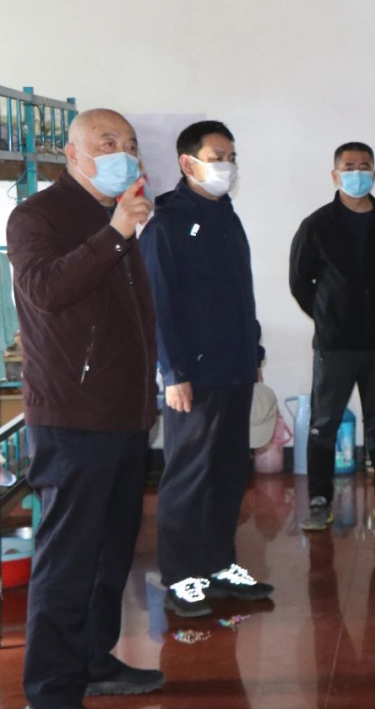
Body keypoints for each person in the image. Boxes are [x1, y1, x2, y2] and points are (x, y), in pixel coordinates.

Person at [7, 108, 164, 706]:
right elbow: (45, 290)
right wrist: (115, 233)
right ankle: (51, 689)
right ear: (72, 154)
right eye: (107, 141)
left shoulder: (113, 214)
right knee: (68, 560)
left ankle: (95, 661)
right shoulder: (36, 215)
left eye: (129, 143)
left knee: (109, 554)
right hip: (72, 416)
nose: (122, 151)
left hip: (124, 413)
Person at [140, 120, 273, 618]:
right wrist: (172, 373)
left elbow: (242, 292)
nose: (227, 166)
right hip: (192, 376)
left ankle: (218, 564)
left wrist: (253, 353)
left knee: (229, 471)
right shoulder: (167, 223)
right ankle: (181, 576)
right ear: (187, 162)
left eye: (231, 157)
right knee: (189, 476)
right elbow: (158, 305)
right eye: (218, 157)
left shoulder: (226, 216)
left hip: (235, 366)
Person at [289, 142, 375, 531]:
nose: (357, 172)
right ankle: (319, 503)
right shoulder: (317, 225)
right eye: (349, 166)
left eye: (364, 166)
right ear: (336, 175)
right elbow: (300, 281)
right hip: (335, 344)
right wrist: (328, 316)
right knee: (324, 422)